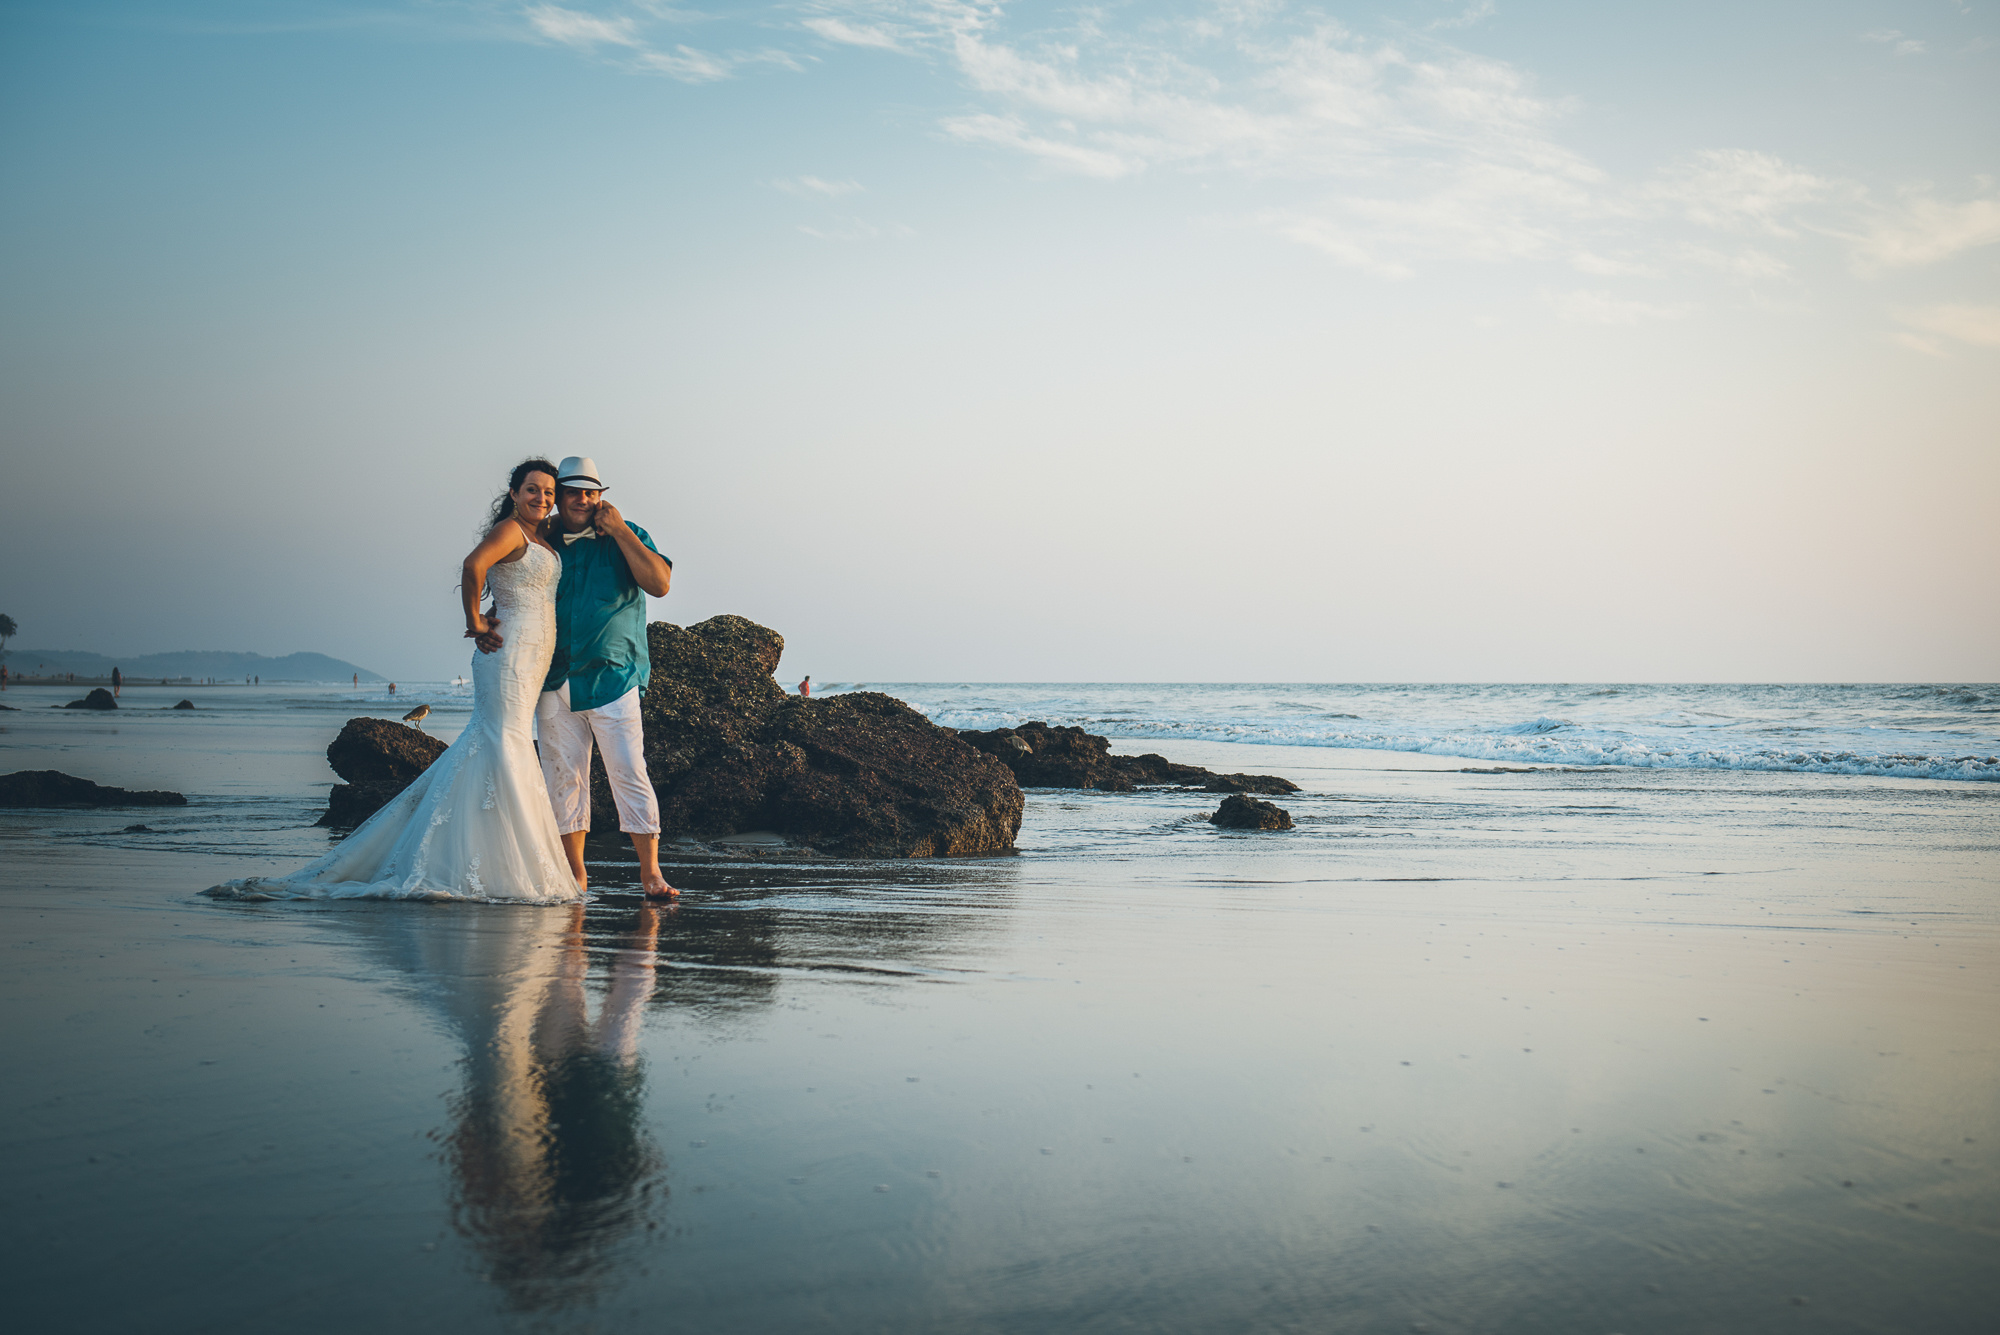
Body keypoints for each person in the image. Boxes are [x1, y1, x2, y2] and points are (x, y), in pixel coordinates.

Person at [204, 460, 581, 903]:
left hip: (534, 656)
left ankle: (493, 857)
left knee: (497, 746)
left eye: (549, 492)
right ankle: (499, 864)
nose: (542, 498)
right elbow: (472, 565)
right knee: (503, 744)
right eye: (533, 490)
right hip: (509, 654)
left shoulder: (541, 534)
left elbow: (575, 523)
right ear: (514, 493)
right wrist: (475, 621)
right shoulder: (509, 531)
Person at [503, 455, 676, 899]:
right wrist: (488, 619)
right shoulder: (543, 540)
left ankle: (651, 872)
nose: (582, 499)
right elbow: (519, 590)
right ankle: (575, 874)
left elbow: (659, 583)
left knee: (628, 770)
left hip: (611, 677)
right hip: (552, 677)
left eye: (591, 492)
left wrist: (618, 530)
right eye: (573, 492)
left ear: (601, 496)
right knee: (564, 779)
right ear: (558, 497)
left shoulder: (627, 533)